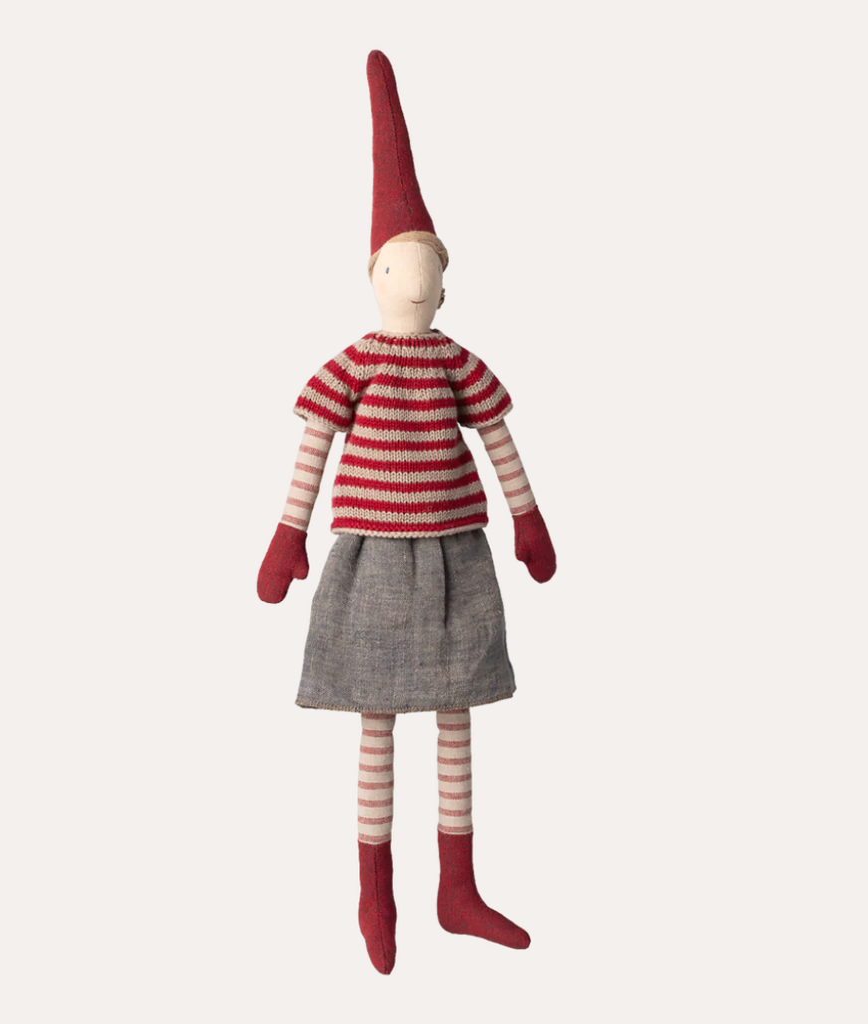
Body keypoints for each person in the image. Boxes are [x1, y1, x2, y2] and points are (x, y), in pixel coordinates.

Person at [256, 50, 556, 975]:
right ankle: (374, 890)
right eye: (402, 266)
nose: (416, 283)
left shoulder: (458, 361)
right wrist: (288, 532)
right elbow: (314, 439)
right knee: (377, 715)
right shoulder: (353, 363)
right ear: (378, 271)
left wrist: (528, 518)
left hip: (456, 551)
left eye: (428, 269)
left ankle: (456, 888)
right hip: (375, 558)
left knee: (457, 710)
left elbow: (497, 433)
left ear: (442, 279)